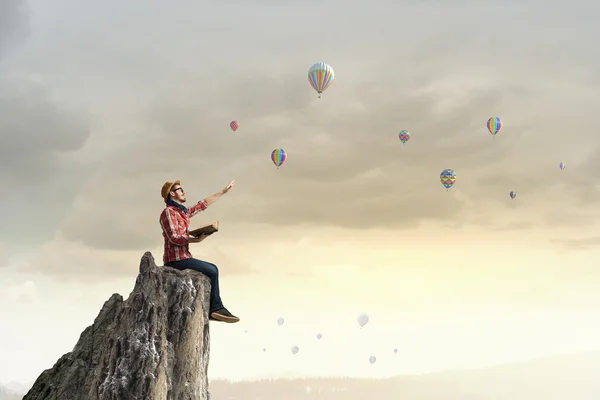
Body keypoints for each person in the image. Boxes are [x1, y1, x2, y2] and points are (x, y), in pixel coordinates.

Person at [159, 179, 239, 323]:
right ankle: (215, 309)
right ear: (172, 193)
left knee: (212, 269)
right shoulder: (168, 213)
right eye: (180, 189)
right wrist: (195, 240)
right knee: (212, 270)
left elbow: (202, 205)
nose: (183, 192)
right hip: (175, 260)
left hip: (183, 257)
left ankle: (213, 309)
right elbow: (173, 237)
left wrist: (223, 191)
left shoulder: (182, 212)